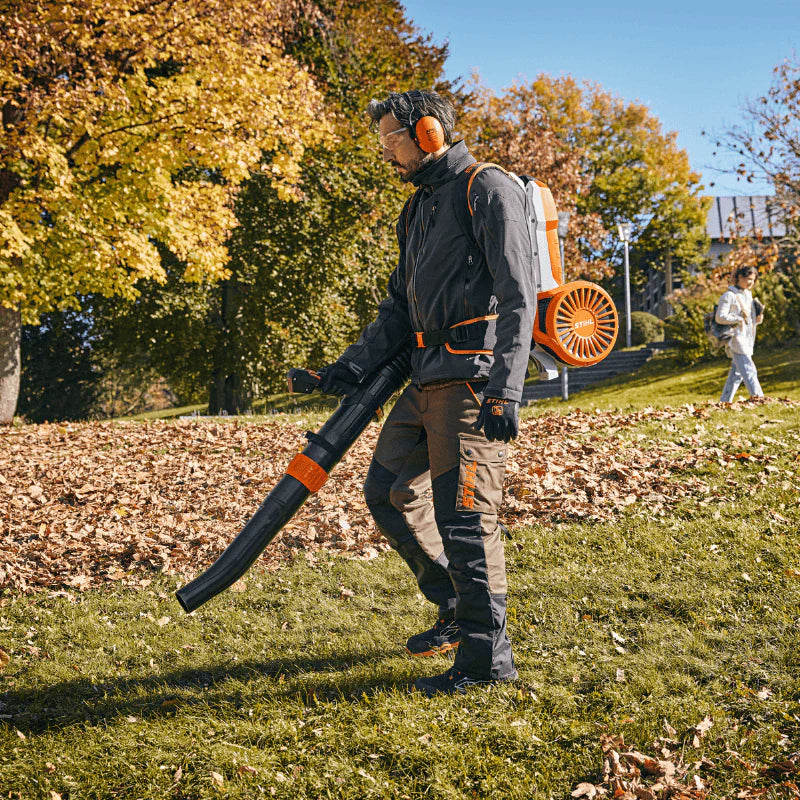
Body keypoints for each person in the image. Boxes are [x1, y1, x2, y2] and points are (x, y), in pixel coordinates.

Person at [314, 90, 534, 696]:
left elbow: (519, 296)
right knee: (386, 491)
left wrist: (504, 389)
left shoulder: (487, 191)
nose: (386, 153)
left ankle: (488, 663)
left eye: (392, 139)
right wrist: (349, 366)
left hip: (470, 379)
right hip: (424, 377)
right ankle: (454, 611)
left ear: (429, 132)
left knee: (465, 518)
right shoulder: (418, 209)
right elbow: (396, 307)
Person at [715, 265, 765, 403]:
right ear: (738, 278)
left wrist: (758, 318)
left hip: (747, 339)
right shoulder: (729, 295)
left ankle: (725, 401)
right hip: (736, 339)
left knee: (736, 374)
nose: (750, 283)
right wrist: (738, 319)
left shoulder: (748, 296)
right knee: (749, 369)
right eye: (748, 279)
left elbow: (750, 320)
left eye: (753, 280)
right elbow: (719, 317)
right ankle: (759, 397)